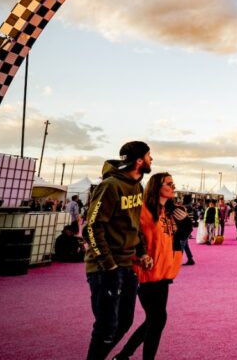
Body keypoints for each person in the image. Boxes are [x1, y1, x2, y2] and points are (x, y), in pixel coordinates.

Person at [84, 141, 152, 360]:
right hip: (106, 267)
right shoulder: (110, 186)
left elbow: (135, 224)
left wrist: (142, 252)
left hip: (127, 264)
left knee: (124, 322)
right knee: (106, 326)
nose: (151, 159)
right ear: (139, 161)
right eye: (149, 156)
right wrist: (109, 265)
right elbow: (91, 227)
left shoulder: (137, 187)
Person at [114, 172, 192, 360]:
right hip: (145, 272)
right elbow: (131, 236)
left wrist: (185, 224)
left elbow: (175, 241)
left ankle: (123, 356)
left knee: (155, 320)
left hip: (163, 272)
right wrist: (139, 256)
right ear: (157, 186)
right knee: (157, 319)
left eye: (173, 183)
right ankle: (125, 355)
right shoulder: (143, 210)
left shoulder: (169, 212)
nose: (173, 187)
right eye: (169, 183)